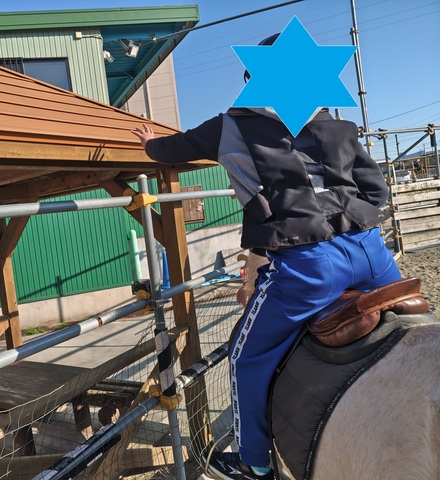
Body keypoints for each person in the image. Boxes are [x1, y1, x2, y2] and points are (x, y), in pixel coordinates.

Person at [131, 104, 401, 478]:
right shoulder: (336, 124)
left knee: (245, 355)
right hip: (371, 249)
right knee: (409, 317)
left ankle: (254, 463)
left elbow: (170, 150)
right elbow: (376, 189)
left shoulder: (229, 126)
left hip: (309, 261)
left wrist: (150, 144)